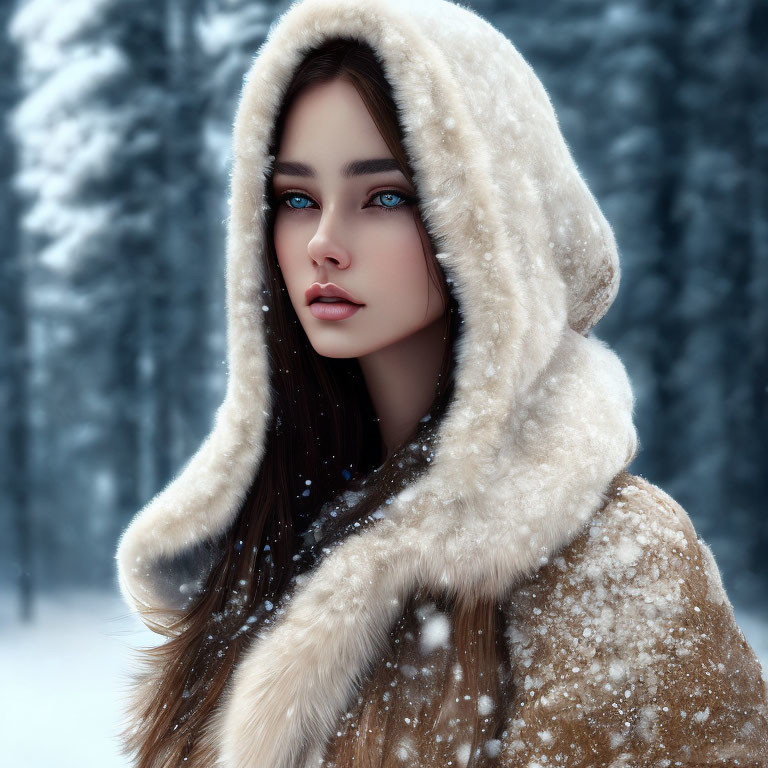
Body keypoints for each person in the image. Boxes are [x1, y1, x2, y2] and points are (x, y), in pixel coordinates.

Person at [115, 1, 768, 766]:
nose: (323, 242)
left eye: (384, 196)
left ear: (492, 221)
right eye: (296, 199)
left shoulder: (618, 557)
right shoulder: (262, 546)